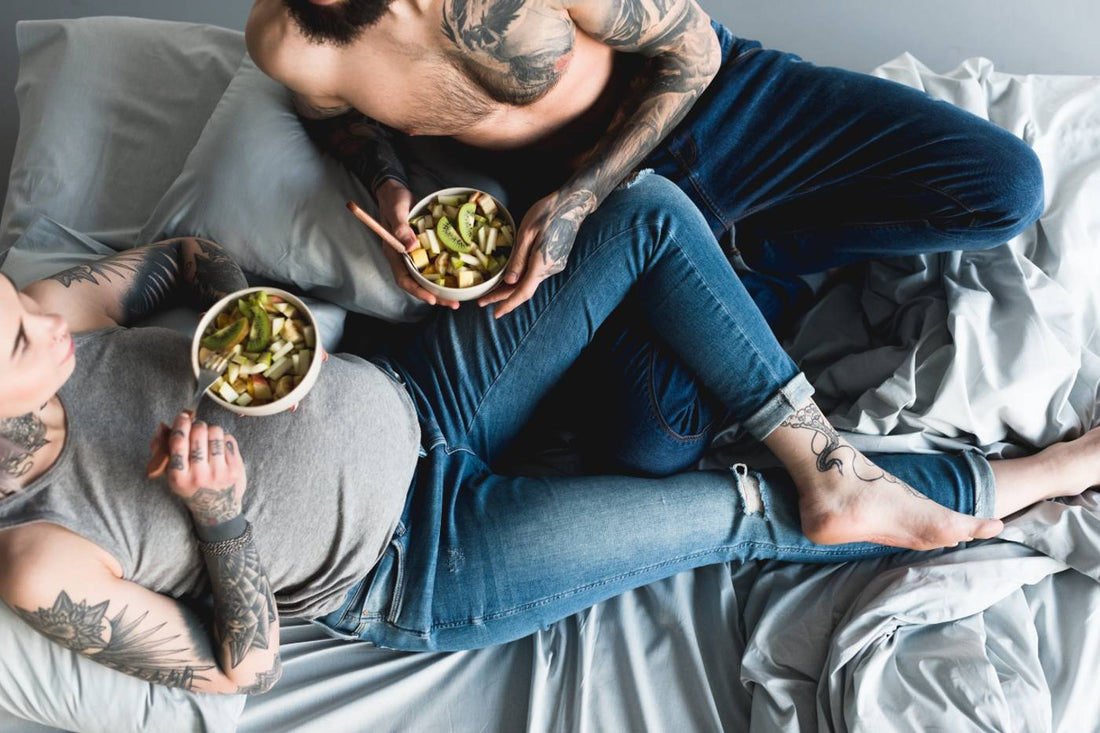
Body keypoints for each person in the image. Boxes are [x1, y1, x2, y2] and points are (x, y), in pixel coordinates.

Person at [0, 176, 1091, 696]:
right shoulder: (41, 557)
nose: (46, 317)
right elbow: (240, 668)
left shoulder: (57, 319)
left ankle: (826, 459)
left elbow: (186, 259)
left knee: (644, 214)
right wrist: (220, 518)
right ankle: (1039, 474)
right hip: (420, 560)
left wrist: (238, 321)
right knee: (734, 511)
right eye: (16, 340)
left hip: (418, 395)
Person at [245, 0, 1044, 330]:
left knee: (1004, 191)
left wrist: (578, 200)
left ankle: (757, 253)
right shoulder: (291, 40)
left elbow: (689, 49)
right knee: (649, 441)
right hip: (573, 206)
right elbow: (343, 124)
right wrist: (391, 187)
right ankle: (739, 261)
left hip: (713, 106)